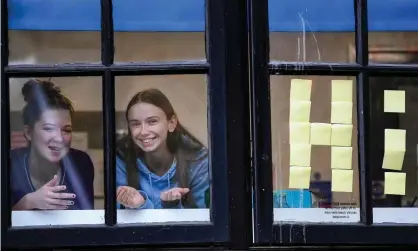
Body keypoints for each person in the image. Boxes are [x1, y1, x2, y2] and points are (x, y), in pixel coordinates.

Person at [116, 88, 210, 209]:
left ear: (171, 123)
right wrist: (140, 203)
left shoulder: (198, 160)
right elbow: (119, 219)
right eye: (135, 124)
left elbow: (204, 218)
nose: (143, 131)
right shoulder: (121, 158)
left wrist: (172, 206)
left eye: (152, 121)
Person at [11, 79, 95, 210]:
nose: (59, 138)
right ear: (28, 132)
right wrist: (28, 202)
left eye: (66, 130)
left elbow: (86, 219)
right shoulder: (9, 164)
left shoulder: (81, 163)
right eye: (49, 128)